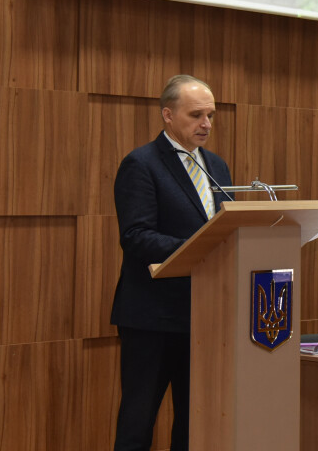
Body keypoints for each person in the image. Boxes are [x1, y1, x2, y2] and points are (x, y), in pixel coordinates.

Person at [111, 75, 233, 451]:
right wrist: (201, 246)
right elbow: (136, 236)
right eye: (196, 115)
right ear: (167, 114)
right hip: (152, 317)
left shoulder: (216, 166)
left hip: (202, 315)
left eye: (211, 115)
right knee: (138, 420)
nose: (206, 124)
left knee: (194, 422)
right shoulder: (141, 164)